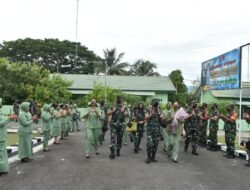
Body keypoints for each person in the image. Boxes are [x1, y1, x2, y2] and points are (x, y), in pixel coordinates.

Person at [0, 98, 17, 175]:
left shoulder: (1, 113)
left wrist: (9, 118)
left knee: (2, 153)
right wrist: (9, 118)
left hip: (2, 136)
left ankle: (2, 169)